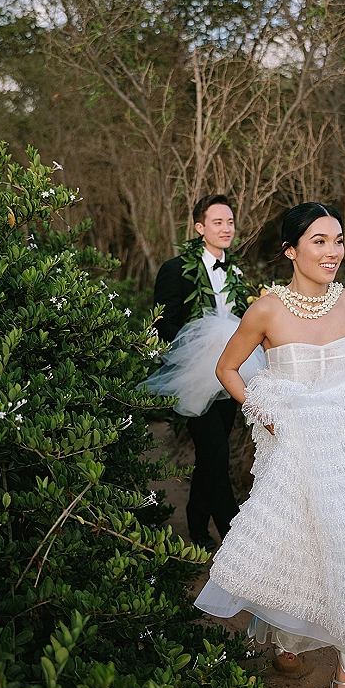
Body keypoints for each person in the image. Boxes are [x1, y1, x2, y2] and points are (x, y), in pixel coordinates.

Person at [195, 202, 345, 688]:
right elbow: (227, 368)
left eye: (338, 240)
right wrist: (263, 413)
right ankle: (286, 634)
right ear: (290, 250)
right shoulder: (266, 310)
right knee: (300, 544)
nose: (333, 252)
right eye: (319, 241)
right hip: (294, 447)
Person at [149, 194, 258, 551]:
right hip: (194, 377)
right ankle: (234, 538)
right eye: (217, 223)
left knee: (213, 454)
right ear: (200, 228)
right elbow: (163, 325)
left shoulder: (237, 273)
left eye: (229, 222)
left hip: (231, 374)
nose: (226, 228)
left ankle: (197, 526)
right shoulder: (176, 269)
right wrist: (200, 346)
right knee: (215, 453)